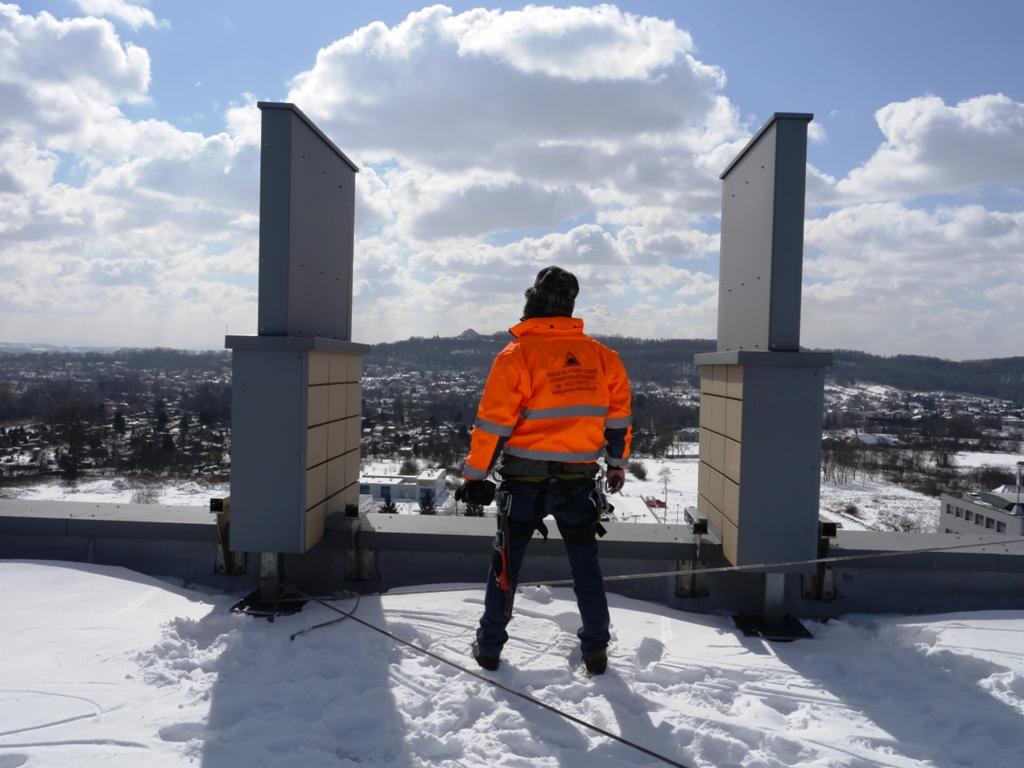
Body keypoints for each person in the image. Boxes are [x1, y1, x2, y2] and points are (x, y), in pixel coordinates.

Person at [456, 266, 632, 675]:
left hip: (524, 481)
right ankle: (596, 650)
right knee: (585, 566)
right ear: (570, 309)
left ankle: (489, 648)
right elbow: (619, 418)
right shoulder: (603, 358)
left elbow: (494, 426)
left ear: (532, 303)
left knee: (505, 568)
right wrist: (617, 464)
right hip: (579, 480)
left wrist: (474, 476)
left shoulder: (517, 356)